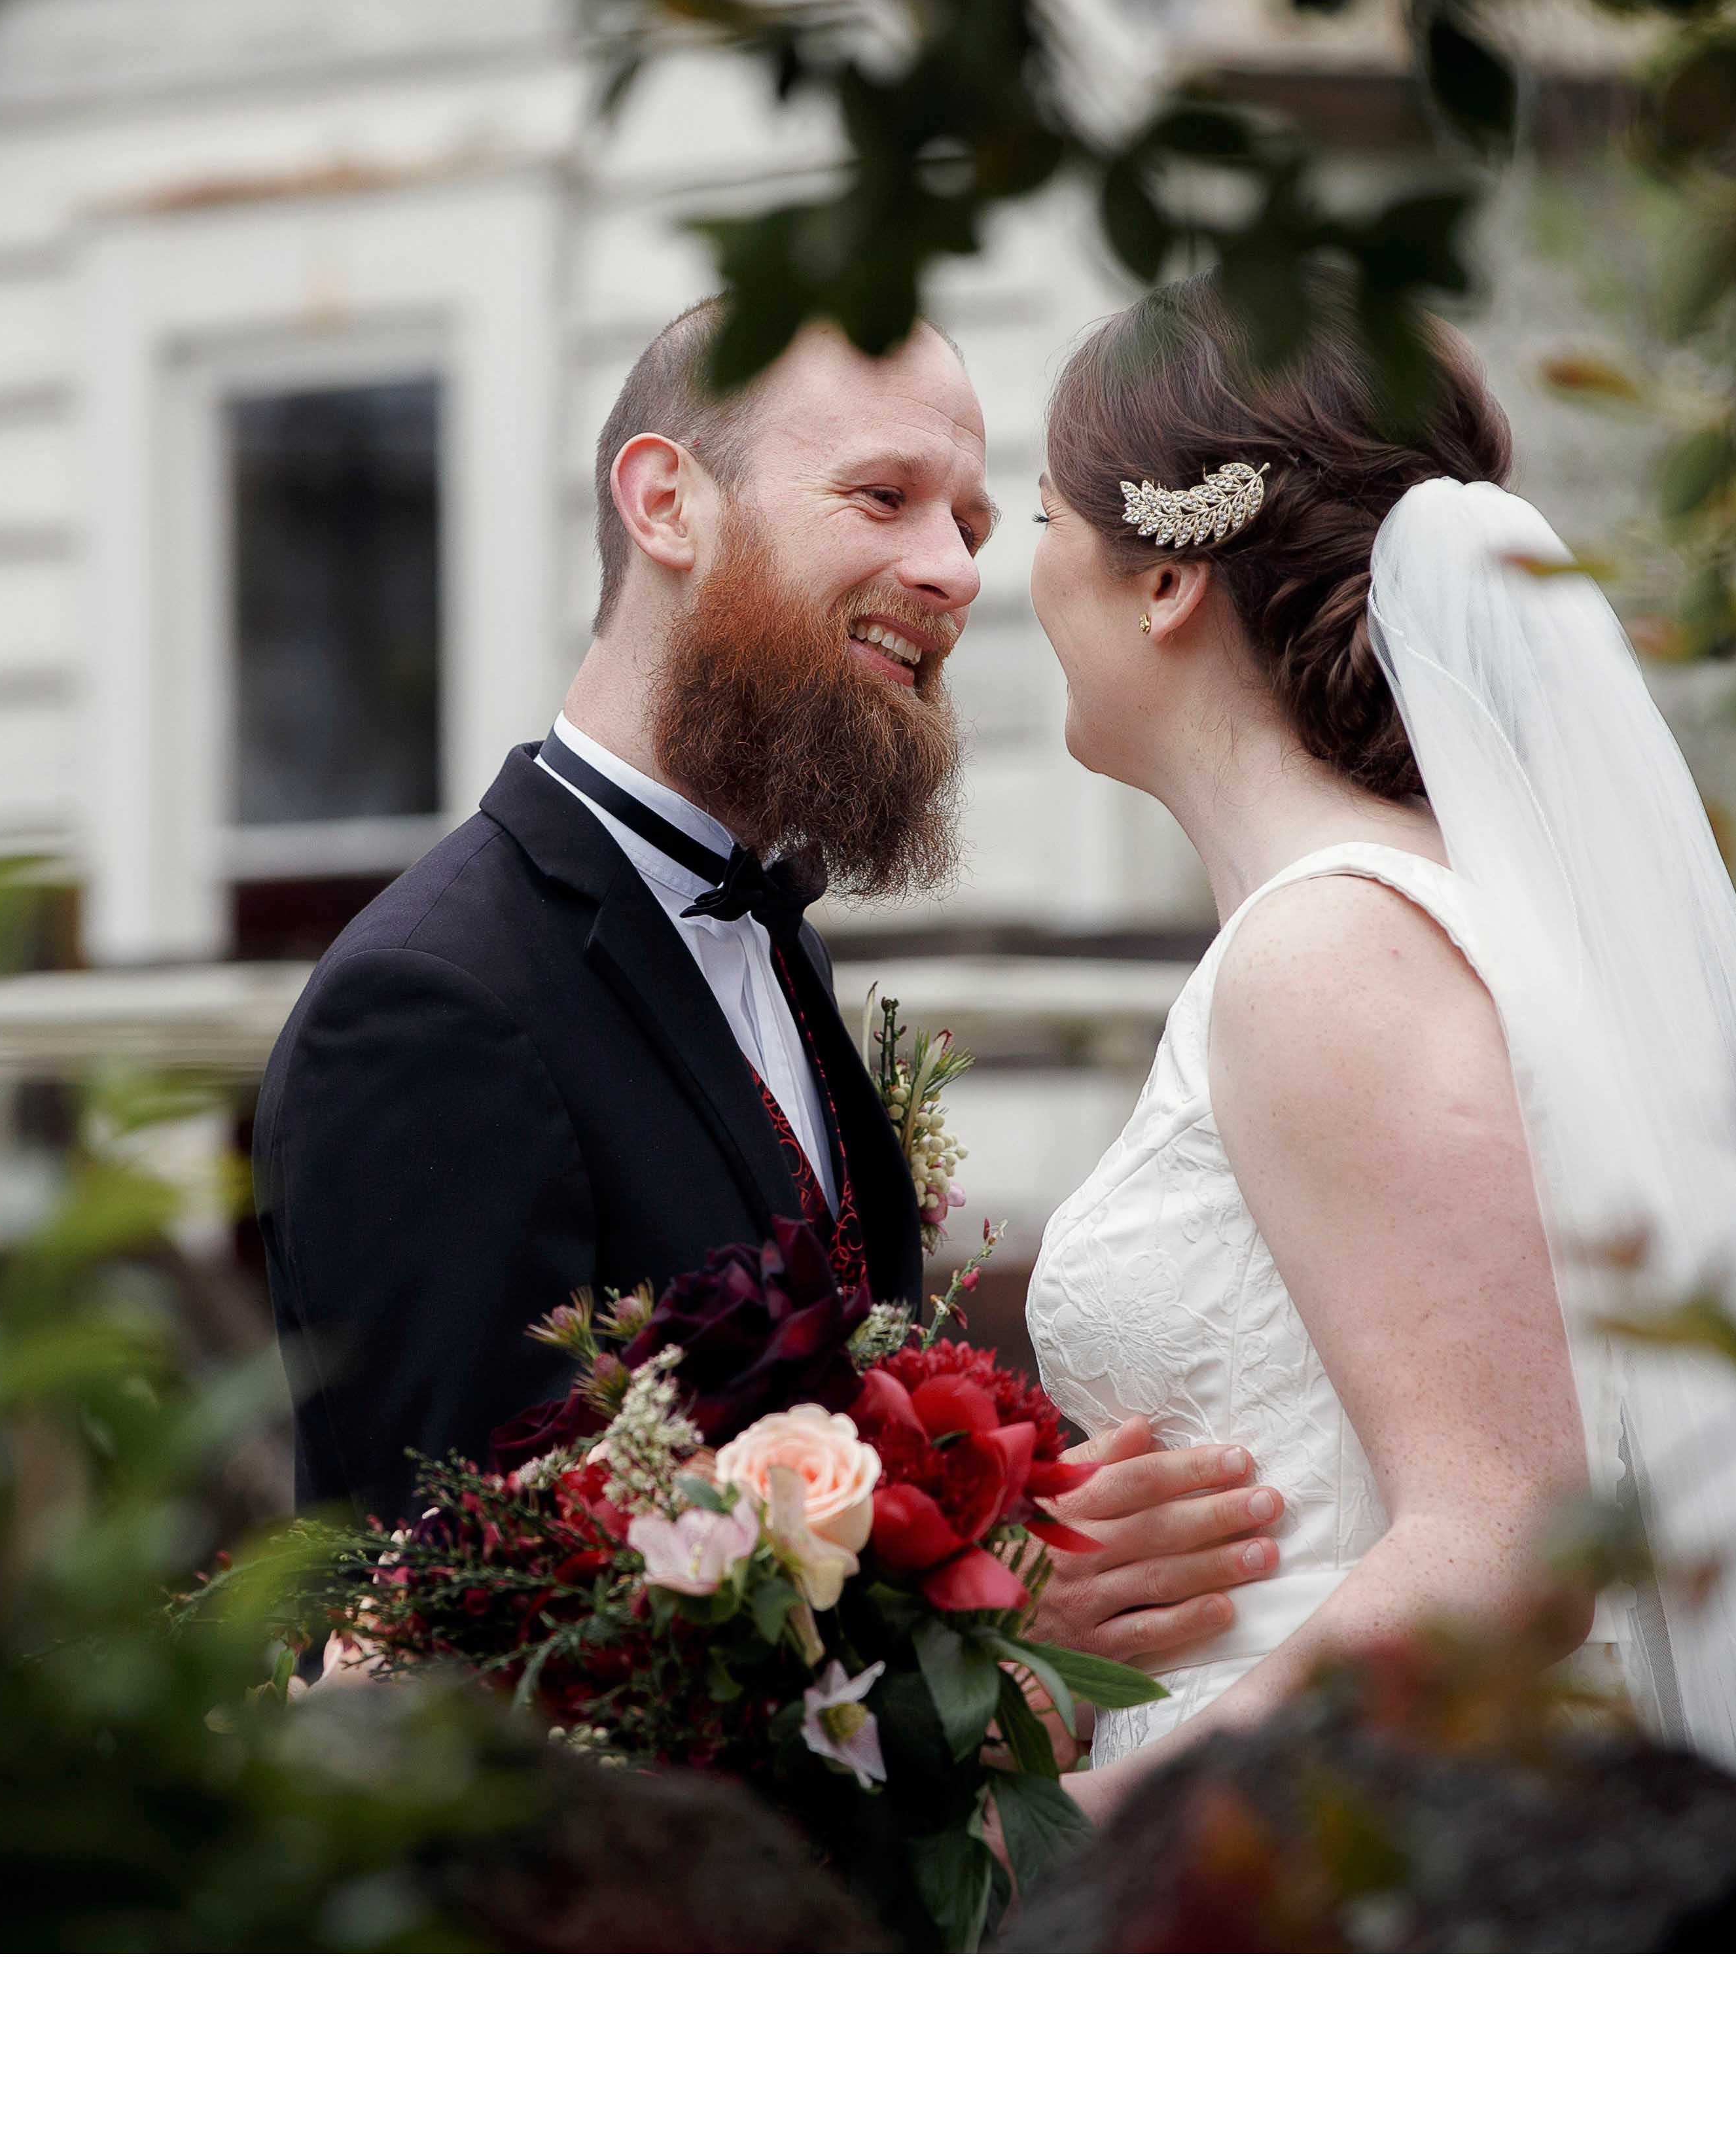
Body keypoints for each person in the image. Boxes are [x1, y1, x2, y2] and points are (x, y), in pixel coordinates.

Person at [1021, 271, 1736, 1832]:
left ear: (1164, 579)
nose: (1017, 577)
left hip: (1327, 1861)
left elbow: (1506, 1535)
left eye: (1038, 521)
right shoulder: (1382, 924)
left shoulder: (1332, 953)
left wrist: (1091, 1836)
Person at [255, 297, 1281, 1677]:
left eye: (972, 526)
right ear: (669, 504)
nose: (956, 572)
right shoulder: (431, 1007)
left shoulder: (773, 934)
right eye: (883, 496)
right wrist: (979, 1618)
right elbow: (470, 1643)